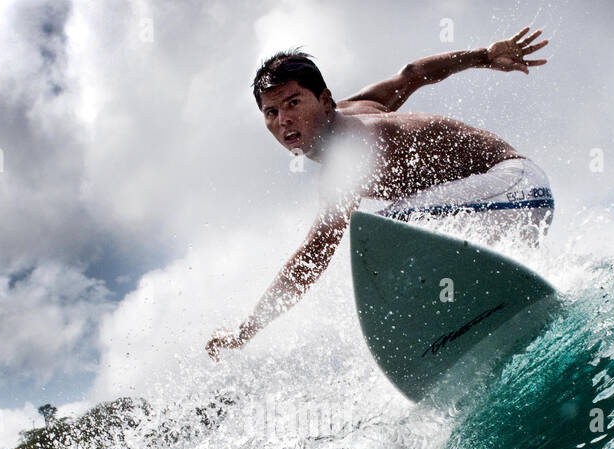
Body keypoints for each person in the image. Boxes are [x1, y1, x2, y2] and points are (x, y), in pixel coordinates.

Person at [206, 28, 551, 360]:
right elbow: (413, 74)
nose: (284, 120)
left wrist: (245, 332)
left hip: (514, 187)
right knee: (390, 232)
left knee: (383, 232)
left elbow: (312, 256)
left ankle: (442, 320)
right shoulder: (356, 108)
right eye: (271, 112)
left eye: (293, 103)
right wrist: (485, 55)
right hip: (499, 203)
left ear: (325, 101)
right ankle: (472, 308)